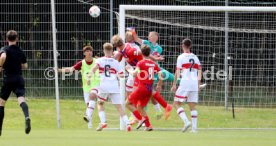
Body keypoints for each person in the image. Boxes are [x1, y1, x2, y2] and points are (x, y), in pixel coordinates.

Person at [125, 44, 171, 131]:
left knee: (127, 104)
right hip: (149, 89)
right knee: (140, 107)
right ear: (149, 53)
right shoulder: (153, 64)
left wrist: (128, 69)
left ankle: (140, 119)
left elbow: (134, 74)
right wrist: (159, 85)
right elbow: (161, 74)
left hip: (142, 88)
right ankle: (148, 126)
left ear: (141, 53)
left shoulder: (140, 63)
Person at [87, 43, 131, 131]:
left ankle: (103, 122)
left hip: (103, 85)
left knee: (100, 103)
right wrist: (117, 75)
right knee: (119, 107)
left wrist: (89, 77)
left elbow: (94, 69)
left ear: (104, 50)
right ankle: (127, 123)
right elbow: (122, 75)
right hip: (114, 86)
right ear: (111, 51)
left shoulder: (100, 60)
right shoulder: (116, 62)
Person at [58, 45, 99, 129]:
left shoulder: (97, 61)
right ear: (84, 53)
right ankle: (89, 125)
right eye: (87, 51)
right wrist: (59, 70)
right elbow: (71, 69)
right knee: (88, 105)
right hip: (86, 87)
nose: (89, 52)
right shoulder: (82, 63)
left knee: (92, 100)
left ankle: (99, 121)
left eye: (90, 51)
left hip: (96, 85)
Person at [0, 30, 31, 136]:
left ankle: (0, 129)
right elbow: (25, 66)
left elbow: (3, 57)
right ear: (17, 39)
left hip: (8, 79)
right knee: (21, 100)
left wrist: (0, 66)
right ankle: (27, 117)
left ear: (6, 39)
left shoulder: (4, 49)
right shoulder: (20, 51)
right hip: (19, 78)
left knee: (1, 103)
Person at [171, 39, 202, 133]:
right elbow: (200, 70)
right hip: (194, 83)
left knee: (176, 103)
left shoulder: (181, 57)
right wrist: (199, 83)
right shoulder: (195, 57)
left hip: (185, 82)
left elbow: (178, 71)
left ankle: (186, 121)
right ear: (190, 46)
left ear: (182, 46)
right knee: (192, 105)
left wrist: (174, 84)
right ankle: (194, 129)